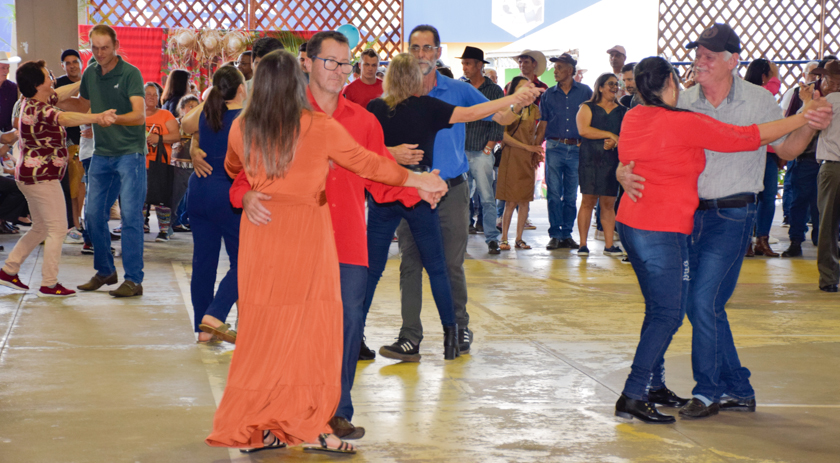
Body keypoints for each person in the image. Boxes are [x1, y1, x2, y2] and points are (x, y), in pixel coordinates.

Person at [204, 49, 446, 455]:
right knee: (313, 335)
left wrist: (251, 192)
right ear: (299, 82)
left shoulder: (242, 126)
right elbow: (371, 164)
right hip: (307, 236)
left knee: (264, 336)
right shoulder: (318, 126)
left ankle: (262, 426)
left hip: (262, 238)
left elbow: (234, 168)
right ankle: (310, 423)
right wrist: (418, 179)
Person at [618, 23, 832, 420]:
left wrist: (807, 123)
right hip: (685, 220)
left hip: (732, 214)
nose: (700, 60)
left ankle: (708, 391)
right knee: (700, 306)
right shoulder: (682, 102)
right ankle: (738, 388)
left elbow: (783, 148)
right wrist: (621, 171)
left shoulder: (756, 100)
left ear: (733, 61)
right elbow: (645, 144)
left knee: (701, 302)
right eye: (697, 53)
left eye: (710, 55)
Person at [365, 51, 538, 361]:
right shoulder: (424, 105)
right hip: (417, 195)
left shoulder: (383, 106)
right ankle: (445, 337)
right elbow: (473, 114)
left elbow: (360, 149)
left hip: (397, 195)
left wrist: (390, 153)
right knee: (434, 268)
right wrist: (510, 98)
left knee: (393, 268)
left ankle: (359, 336)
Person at [0, 60, 116, 297]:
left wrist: (83, 82)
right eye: (48, 76)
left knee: (41, 228)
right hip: (42, 178)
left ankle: (9, 270)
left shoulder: (30, 100)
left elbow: (59, 92)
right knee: (58, 228)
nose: (53, 79)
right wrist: (97, 117)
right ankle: (49, 283)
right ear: (37, 84)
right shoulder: (39, 110)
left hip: (31, 176)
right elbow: (65, 118)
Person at [72, 24, 149, 298]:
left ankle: (133, 281)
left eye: (105, 47)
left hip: (130, 153)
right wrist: (49, 102)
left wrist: (112, 117)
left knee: (129, 217)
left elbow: (139, 115)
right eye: (94, 47)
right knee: (92, 215)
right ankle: (105, 271)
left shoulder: (130, 73)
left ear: (115, 45)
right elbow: (82, 105)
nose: (100, 53)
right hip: (102, 154)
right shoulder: (90, 71)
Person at [178, 66, 245, 343]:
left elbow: (184, 125)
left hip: (200, 190)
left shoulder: (208, 113)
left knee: (203, 262)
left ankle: (202, 329)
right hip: (228, 195)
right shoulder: (246, 118)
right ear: (242, 88)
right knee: (246, 261)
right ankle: (215, 314)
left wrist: (194, 146)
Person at [781, 58, 840, 258]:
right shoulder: (805, 93)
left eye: (839, 83)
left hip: (831, 159)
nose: (835, 86)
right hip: (806, 156)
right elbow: (789, 120)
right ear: (822, 77)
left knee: (825, 205)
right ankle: (796, 240)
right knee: (799, 200)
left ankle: (822, 240)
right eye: (832, 82)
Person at [542, 53, 593, 250]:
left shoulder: (586, 92)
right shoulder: (548, 94)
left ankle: (567, 234)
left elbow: (592, 118)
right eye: (554, 68)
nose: (555, 71)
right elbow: (544, 122)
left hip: (577, 148)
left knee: (571, 195)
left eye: (559, 68)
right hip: (554, 146)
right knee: (554, 193)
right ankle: (555, 233)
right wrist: (536, 146)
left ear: (570, 71)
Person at [575, 73, 627, 257]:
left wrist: (615, 141)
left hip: (611, 160)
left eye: (616, 84)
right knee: (588, 201)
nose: (615, 87)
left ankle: (609, 245)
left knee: (608, 203)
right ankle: (582, 244)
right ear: (600, 87)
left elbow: (626, 135)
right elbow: (583, 130)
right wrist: (610, 135)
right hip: (589, 159)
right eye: (611, 84)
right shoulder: (587, 107)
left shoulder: (622, 111)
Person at [460, 45, 505, 254]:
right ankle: (459, 238)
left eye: (468, 63)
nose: (465, 67)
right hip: (461, 151)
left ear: (479, 66)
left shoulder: (494, 90)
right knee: (460, 197)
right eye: (463, 63)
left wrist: (489, 146)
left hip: (482, 150)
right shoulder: (461, 87)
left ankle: (492, 238)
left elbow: (499, 120)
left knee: (487, 197)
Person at [496, 76, 545, 250]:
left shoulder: (534, 109)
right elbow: (503, 136)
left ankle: (519, 239)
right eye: (521, 87)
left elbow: (537, 131)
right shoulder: (507, 107)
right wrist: (527, 147)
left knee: (525, 200)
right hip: (512, 156)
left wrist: (535, 150)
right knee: (510, 201)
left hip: (527, 157)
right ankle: (503, 239)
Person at [744, 58, 783, 257]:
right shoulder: (754, 94)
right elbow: (771, 89)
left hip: (764, 153)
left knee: (765, 198)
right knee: (756, 197)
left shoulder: (753, 94)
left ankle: (760, 240)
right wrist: (775, 76)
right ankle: (751, 241)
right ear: (764, 77)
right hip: (755, 152)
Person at [55, 49, 86, 243]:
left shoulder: (89, 82)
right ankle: (73, 222)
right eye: (68, 63)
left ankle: (79, 220)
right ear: (63, 66)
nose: (72, 65)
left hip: (91, 140)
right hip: (68, 143)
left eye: (75, 61)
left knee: (82, 185)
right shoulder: (58, 85)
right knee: (72, 186)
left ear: (81, 62)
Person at [143, 82, 180, 242]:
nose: (151, 97)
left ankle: (164, 230)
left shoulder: (165, 115)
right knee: (140, 198)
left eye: (155, 94)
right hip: (138, 164)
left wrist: (159, 138)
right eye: (148, 94)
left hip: (161, 163)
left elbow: (176, 136)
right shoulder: (136, 114)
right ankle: (141, 225)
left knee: (162, 198)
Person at [815, 60, 840, 292]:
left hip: (833, 169)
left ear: (832, 81)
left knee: (828, 225)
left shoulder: (827, 103)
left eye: (823, 78)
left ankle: (829, 278)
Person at [169, 94, 200, 234]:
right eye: (190, 107)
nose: (193, 109)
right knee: (176, 195)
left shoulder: (199, 124)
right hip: (176, 164)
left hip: (192, 165)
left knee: (185, 196)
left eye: (196, 107)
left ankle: (179, 220)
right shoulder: (176, 122)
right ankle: (172, 222)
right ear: (181, 109)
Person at [0, 58, 18, 132]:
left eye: (8, 68)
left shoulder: (12, 87)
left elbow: (14, 111)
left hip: (8, 132)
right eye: (3, 68)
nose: (6, 71)